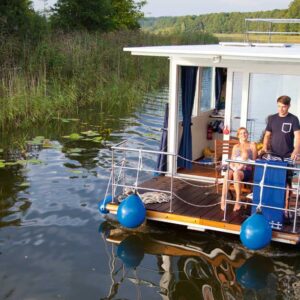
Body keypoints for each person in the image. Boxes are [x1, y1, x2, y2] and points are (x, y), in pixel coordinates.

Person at [259, 95, 300, 215]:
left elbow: (298, 136)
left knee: (287, 183)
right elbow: (267, 135)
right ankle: (272, 206)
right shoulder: (272, 119)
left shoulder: (294, 119)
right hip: (274, 155)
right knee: (273, 181)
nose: (281, 109)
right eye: (279, 106)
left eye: (284, 107)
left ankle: (285, 209)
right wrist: (264, 146)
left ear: (288, 106)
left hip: (288, 155)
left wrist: (296, 150)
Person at [221, 127, 257, 211]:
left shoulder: (252, 145)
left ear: (248, 134)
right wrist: (234, 166)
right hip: (235, 167)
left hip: (246, 170)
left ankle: (238, 200)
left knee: (236, 174)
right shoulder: (235, 146)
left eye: (245, 133)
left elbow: (255, 161)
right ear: (238, 135)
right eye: (241, 133)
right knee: (228, 173)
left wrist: (244, 165)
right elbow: (232, 160)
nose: (243, 134)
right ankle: (223, 198)